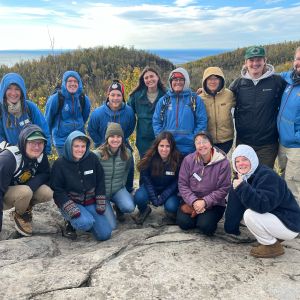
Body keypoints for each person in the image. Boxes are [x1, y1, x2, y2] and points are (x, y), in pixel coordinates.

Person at [224, 145, 300, 258]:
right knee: (241, 199)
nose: (241, 163)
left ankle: (271, 245)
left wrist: (242, 188)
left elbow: (263, 205)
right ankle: (273, 237)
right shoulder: (245, 177)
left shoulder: (267, 176)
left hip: (290, 224)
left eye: (245, 159)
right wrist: (230, 228)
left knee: (249, 215)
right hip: (278, 218)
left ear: (253, 160)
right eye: (237, 161)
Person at [51, 131, 115, 241]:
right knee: (85, 223)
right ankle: (70, 221)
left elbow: (100, 180)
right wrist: (70, 208)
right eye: (76, 146)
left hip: (91, 201)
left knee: (105, 235)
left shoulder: (92, 158)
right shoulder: (60, 164)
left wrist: (100, 202)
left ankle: (88, 219)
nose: (80, 150)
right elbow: (57, 190)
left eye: (83, 146)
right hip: (72, 202)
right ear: (69, 146)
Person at [229, 45, 286, 168]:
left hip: (267, 145)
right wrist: (204, 93)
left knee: (264, 179)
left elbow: (292, 92)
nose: (255, 63)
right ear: (245, 62)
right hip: (243, 142)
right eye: (251, 60)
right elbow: (222, 97)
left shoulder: (277, 82)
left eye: (259, 60)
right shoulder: (238, 84)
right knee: (243, 179)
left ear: (265, 61)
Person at [0, 124, 53, 237]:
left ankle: (22, 212)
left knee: (47, 192)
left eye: (40, 143)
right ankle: (21, 212)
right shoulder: (8, 158)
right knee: (25, 192)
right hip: (4, 193)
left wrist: (31, 185)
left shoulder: (40, 156)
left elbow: (45, 174)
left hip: (21, 188)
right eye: (32, 142)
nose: (37, 147)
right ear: (23, 142)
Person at [176, 131, 231, 236]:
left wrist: (205, 202)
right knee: (184, 223)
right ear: (195, 146)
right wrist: (194, 201)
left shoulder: (223, 163)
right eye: (198, 142)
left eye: (204, 141)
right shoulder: (188, 160)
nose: (201, 145)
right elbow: (183, 184)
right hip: (191, 201)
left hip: (213, 204)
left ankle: (201, 217)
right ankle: (197, 213)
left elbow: (223, 188)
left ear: (211, 144)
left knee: (206, 227)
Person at [88, 80, 136, 192]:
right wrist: (101, 143)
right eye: (112, 94)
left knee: (130, 163)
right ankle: (98, 191)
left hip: (122, 143)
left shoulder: (129, 112)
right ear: (108, 95)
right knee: (100, 168)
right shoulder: (98, 113)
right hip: (101, 144)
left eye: (118, 95)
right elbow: (91, 129)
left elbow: (130, 127)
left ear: (122, 96)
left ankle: (127, 190)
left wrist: (121, 141)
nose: (115, 98)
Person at [152, 67, 207, 156]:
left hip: (190, 148)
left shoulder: (195, 100)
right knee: (169, 170)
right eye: (175, 79)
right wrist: (162, 140)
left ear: (186, 81)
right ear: (170, 82)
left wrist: (194, 139)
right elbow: (156, 121)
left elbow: (202, 121)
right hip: (169, 148)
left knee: (189, 170)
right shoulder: (164, 100)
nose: (178, 82)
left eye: (181, 79)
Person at [133, 131, 182, 225]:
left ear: (172, 147)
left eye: (168, 146)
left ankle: (170, 215)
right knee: (139, 197)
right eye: (161, 146)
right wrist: (154, 198)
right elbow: (146, 179)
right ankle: (144, 210)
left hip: (169, 189)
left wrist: (162, 197)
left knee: (172, 206)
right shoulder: (148, 157)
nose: (164, 149)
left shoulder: (178, 159)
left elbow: (176, 182)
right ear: (157, 146)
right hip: (152, 187)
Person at [0, 72, 51, 154]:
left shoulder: (30, 107)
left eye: (17, 89)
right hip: (12, 158)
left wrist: (45, 153)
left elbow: (44, 130)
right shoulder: (1, 111)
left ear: (22, 91)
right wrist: (10, 151)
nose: (13, 93)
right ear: (3, 90)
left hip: (34, 155)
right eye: (9, 88)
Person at [94, 123, 135, 223]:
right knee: (112, 225)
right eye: (112, 136)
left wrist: (122, 183)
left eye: (118, 136)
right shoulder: (97, 155)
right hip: (101, 194)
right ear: (107, 138)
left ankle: (117, 205)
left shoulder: (127, 153)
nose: (115, 139)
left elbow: (126, 170)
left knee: (129, 207)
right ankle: (104, 207)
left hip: (117, 190)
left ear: (122, 138)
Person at [45, 70, 91, 157]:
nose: (72, 84)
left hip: (79, 140)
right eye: (69, 81)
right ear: (64, 83)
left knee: (81, 167)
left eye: (75, 81)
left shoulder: (83, 99)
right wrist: (48, 142)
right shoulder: (56, 99)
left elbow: (84, 117)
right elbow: (47, 121)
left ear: (79, 83)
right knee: (66, 167)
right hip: (62, 142)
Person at [277, 46, 300, 204]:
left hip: (296, 146)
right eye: (298, 58)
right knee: (285, 178)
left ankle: (295, 224)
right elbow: (268, 76)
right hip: (283, 143)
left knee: (294, 185)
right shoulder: (288, 79)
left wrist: (296, 137)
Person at [128, 66, 166, 158]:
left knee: (159, 169)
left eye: (152, 76)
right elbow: (127, 112)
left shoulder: (166, 94)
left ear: (157, 77)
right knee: (145, 170)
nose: (149, 79)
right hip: (143, 141)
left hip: (162, 140)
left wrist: (198, 94)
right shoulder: (136, 96)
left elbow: (180, 98)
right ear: (143, 80)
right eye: (146, 78)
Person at [200, 67, 235, 153]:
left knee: (221, 162)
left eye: (216, 78)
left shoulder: (229, 95)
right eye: (209, 79)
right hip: (207, 140)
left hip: (226, 140)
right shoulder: (199, 98)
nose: (213, 81)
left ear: (221, 80)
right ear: (205, 81)